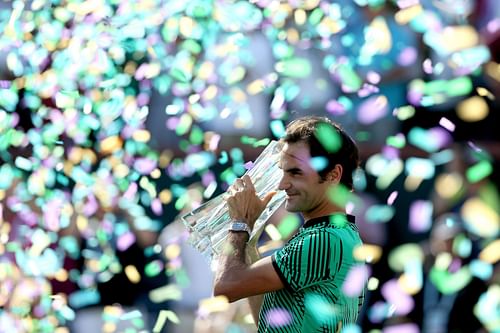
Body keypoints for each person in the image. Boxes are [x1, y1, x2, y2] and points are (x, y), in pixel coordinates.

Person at [213, 116, 365, 332]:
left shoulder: (322, 241)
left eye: (295, 172)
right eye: (282, 171)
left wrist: (239, 224)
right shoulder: (337, 235)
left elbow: (226, 288)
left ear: (333, 175)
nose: (283, 184)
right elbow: (267, 323)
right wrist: (249, 237)